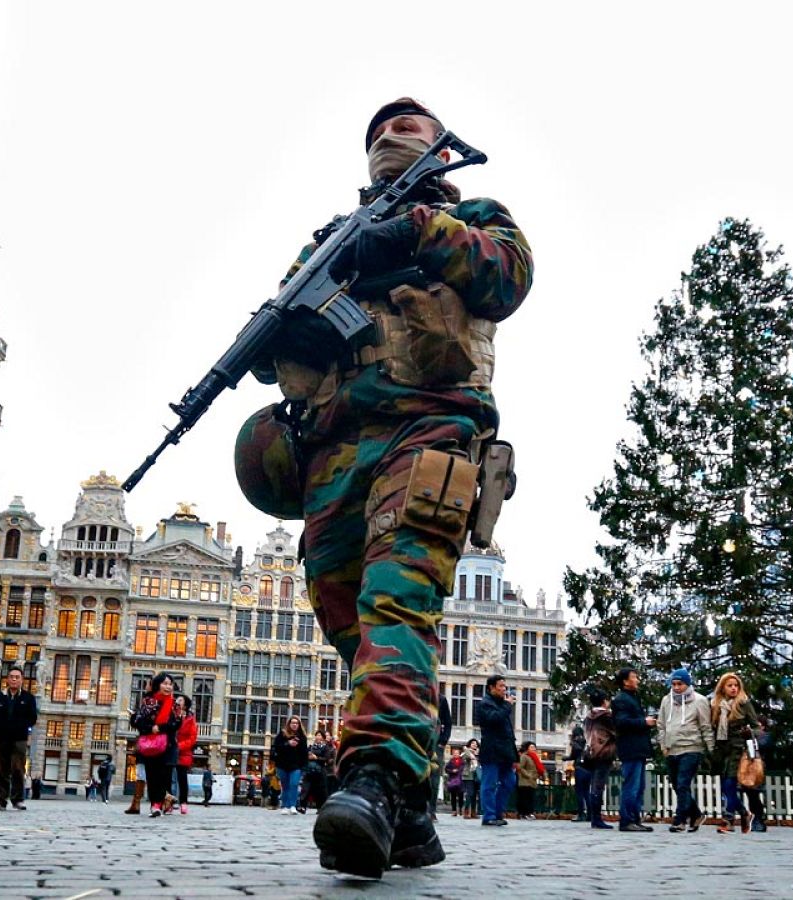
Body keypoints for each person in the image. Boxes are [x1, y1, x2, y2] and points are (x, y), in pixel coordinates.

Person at [229, 97, 532, 878]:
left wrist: (422, 232)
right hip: (333, 451)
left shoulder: (474, 216)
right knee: (350, 622)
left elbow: (509, 276)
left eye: (411, 127)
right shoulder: (329, 241)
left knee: (396, 603)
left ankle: (373, 780)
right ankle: (415, 805)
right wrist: (279, 337)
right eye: (380, 132)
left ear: (439, 148)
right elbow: (276, 335)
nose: (393, 135)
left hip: (430, 425)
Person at [657, 668, 712, 833]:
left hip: (691, 747)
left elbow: (705, 725)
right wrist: (663, 744)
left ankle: (680, 820)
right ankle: (695, 814)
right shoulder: (667, 700)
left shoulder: (699, 701)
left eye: (679, 684)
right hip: (672, 748)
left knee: (683, 784)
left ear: (687, 684)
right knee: (677, 785)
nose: (676, 687)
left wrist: (710, 747)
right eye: (673, 684)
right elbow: (661, 724)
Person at [709, 672, 763, 834]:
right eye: (730, 685)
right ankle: (744, 813)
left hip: (739, 749)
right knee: (726, 787)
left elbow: (757, 727)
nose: (733, 688)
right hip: (722, 749)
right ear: (723, 688)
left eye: (736, 685)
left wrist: (749, 732)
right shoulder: (715, 705)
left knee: (729, 783)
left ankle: (728, 819)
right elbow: (712, 727)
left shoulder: (744, 703)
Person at [611, 667, 655, 833]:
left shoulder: (632, 698)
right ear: (625, 681)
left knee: (639, 786)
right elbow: (622, 722)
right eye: (634, 677)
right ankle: (627, 819)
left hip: (638, 748)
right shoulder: (621, 700)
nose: (637, 680)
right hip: (630, 748)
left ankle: (635, 819)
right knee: (632, 785)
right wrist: (644, 722)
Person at [0, 666, 38, 812]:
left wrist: (21, 727)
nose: (14, 679)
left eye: (17, 677)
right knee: (1, 770)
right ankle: (0, 800)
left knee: (18, 769)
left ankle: (18, 800)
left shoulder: (28, 698)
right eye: (11, 676)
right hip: (2, 738)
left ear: (22, 680)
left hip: (19, 739)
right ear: (7, 679)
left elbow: (33, 717)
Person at [132, 673, 180, 818]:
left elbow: (177, 723)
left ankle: (160, 803)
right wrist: (150, 728)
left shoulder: (174, 704)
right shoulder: (148, 701)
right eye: (165, 683)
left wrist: (160, 728)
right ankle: (155, 806)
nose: (168, 686)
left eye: (170, 684)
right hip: (151, 744)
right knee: (152, 776)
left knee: (164, 776)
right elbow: (138, 721)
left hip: (168, 745)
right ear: (158, 684)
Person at [475, 676, 519, 828]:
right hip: (492, 750)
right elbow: (494, 719)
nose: (504, 689)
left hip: (505, 751)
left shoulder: (502, 705)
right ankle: (489, 815)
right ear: (491, 688)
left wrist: (515, 755)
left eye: (505, 686)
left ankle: (498, 811)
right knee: (489, 783)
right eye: (501, 686)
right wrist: (507, 706)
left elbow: (508, 732)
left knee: (510, 782)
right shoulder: (485, 704)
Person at [581, 688, 617, 830]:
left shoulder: (589, 717)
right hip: (604, 752)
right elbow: (616, 732)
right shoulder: (606, 716)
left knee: (594, 786)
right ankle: (596, 818)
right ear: (604, 701)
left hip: (591, 753)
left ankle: (594, 816)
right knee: (598, 786)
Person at [273, 715, 311, 815]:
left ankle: (293, 805)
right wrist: (288, 744)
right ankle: (285, 806)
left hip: (296, 765)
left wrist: (305, 766)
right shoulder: (282, 734)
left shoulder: (302, 736)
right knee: (285, 786)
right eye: (293, 723)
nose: (294, 725)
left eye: (296, 723)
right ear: (289, 724)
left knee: (294, 784)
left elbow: (304, 752)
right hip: (282, 764)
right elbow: (276, 747)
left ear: (299, 725)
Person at [174, 695, 198, 815]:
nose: (177, 700)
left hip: (183, 753)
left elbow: (192, 738)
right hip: (170, 750)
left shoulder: (190, 719)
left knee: (182, 779)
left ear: (186, 705)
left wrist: (179, 746)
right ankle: (168, 802)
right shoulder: (172, 715)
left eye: (180, 700)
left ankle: (183, 802)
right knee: (167, 778)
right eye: (177, 699)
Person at [306, 730, 335, 811]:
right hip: (314, 769)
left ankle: (325, 806)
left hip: (326, 770)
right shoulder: (312, 746)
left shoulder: (328, 747)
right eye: (317, 735)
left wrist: (317, 758)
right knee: (316, 789)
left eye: (320, 735)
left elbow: (328, 759)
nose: (318, 737)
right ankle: (318, 806)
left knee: (324, 789)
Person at [566, 721, 589, 824]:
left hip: (579, 768)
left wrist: (565, 758)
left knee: (579, 792)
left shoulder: (575, 743)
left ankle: (581, 813)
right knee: (587, 792)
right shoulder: (586, 741)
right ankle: (590, 813)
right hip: (588, 768)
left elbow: (573, 755)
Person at [515, 742, 544, 819]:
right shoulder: (524, 756)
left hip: (532, 781)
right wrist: (527, 774)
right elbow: (519, 767)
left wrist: (537, 775)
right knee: (524, 798)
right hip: (525, 781)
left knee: (531, 798)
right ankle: (524, 813)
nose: (533, 748)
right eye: (531, 747)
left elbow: (538, 768)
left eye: (534, 747)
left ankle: (529, 812)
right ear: (527, 748)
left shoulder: (535, 758)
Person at [461, 738, 481, 818]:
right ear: (469, 744)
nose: (474, 744)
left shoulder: (478, 753)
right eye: (473, 743)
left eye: (476, 743)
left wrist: (477, 755)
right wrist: (467, 751)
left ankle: (473, 812)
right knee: (470, 793)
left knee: (474, 795)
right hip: (468, 775)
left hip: (477, 775)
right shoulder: (466, 752)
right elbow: (464, 758)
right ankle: (466, 812)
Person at [444, 747, 466, 816]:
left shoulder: (462, 761)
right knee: (453, 796)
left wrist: (459, 771)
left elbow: (464, 769)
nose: (455, 754)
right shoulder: (451, 761)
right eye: (454, 753)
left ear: (459, 754)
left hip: (460, 780)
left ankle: (460, 809)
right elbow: (446, 769)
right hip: (452, 780)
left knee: (461, 796)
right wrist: (452, 771)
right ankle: (454, 810)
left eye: (457, 753)